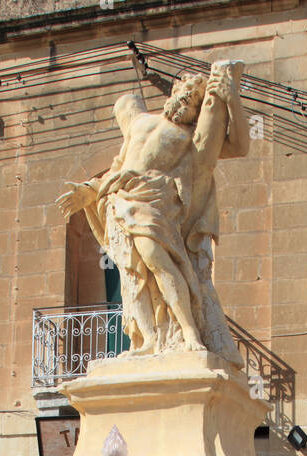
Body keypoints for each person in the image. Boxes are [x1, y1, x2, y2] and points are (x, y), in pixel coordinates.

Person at [56, 56, 249, 362]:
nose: (188, 99)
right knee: (133, 275)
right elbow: (119, 166)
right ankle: (147, 339)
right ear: (174, 90)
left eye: (195, 100)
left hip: (153, 205)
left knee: (157, 260)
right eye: (186, 91)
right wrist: (91, 190)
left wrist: (231, 98)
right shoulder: (140, 123)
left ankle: (188, 331)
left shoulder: (191, 140)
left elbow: (239, 146)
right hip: (118, 201)